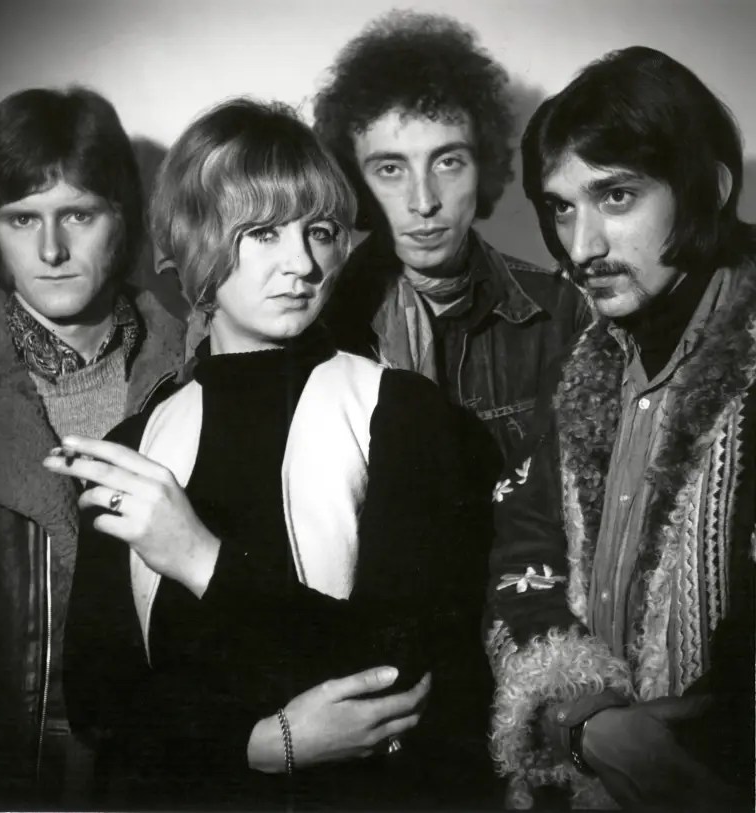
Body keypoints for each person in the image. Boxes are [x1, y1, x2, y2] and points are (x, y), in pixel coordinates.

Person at [46, 99, 492, 810]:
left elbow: (399, 671)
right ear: (193, 241)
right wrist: (259, 745)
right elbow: (102, 705)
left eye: (320, 232)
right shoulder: (135, 444)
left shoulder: (404, 412)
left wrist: (199, 557)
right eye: (262, 232)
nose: (303, 263)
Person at [485, 46, 756, 810]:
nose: (582, 248)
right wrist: (586, 718)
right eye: (562, 207)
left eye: (616, 196)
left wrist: (678, 751)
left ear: (708, 187)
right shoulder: (586, 360)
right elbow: (525, 547)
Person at [0, 87, 185, 808]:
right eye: (23, 218)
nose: (51, 250)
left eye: (78, 215)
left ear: (123, 216)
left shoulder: (201, 368)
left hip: (172, 774)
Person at [314, 10, 589, 465]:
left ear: (483, 167)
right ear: (354, 181)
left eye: (448, 162)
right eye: (390, 169)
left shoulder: (559, 313)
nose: (424, 202)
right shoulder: (320, 317)